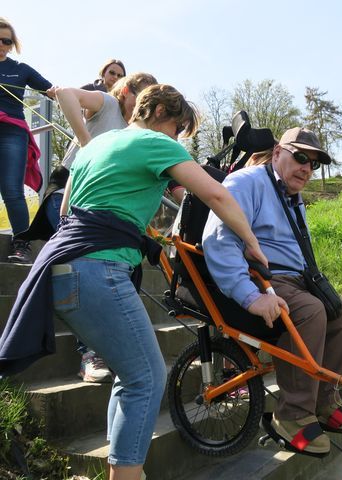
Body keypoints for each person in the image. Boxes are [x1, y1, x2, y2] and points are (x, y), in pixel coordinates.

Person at [0, 83, 267, 480]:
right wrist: (251, 243)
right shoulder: (154, 143)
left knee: (130, 375)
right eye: (177, 128)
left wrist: (138, 235)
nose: (177, 140)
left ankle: (123, 470)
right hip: (97, 270)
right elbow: (218, 196)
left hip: (59, 267)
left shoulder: (94, 148)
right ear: (159, 111)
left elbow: (72, 209)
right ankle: (126, 475)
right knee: (148, 376)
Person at [202, 127, 342, 455]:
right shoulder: (247, 183)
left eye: (313, 164)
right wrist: (251, 295)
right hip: (263, 277)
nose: (306, 167)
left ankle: (324, 400)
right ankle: (293, 415)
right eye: (300, 157)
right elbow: (218, 239)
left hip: (298, 278)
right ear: (276, 154)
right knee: (311, 312)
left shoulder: (293, 198)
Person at [20, 72, 158, 383]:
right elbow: (67, 94)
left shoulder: (129, 130)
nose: (144, 103)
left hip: (94, 204)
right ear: (125, 91)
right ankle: (89, 354)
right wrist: (87, 142)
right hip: (68, 193)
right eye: (141, 94)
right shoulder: (107, 104)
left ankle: (104, 346)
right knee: (85, 263)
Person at [0, 16, 54, 263]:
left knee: (12, 189)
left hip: (12, 131)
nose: (1, 44)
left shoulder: (20, 70)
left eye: (6, 40)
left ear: (12, 44)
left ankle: (21, 243)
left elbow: (51, 90)